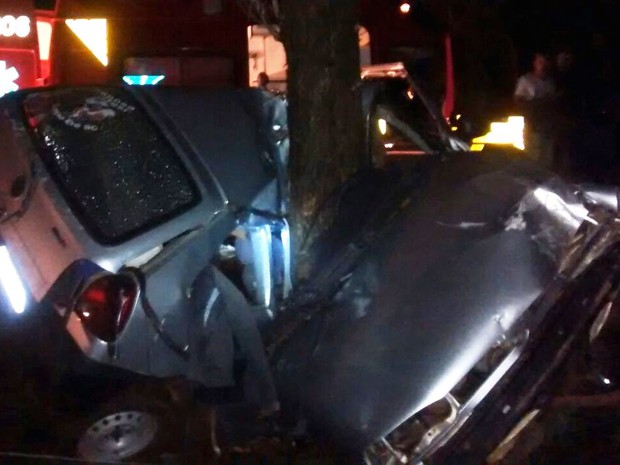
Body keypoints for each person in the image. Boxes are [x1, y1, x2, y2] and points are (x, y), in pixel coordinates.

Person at [514, 53, 557, 167]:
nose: (542, 66)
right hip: (533, 123)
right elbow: (518, 101)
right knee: (533, 154)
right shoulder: (526, 80)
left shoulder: (550, 82)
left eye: (545, 63)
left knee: (547, 155)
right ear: (535, 64)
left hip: (547, 124)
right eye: (540, 62)